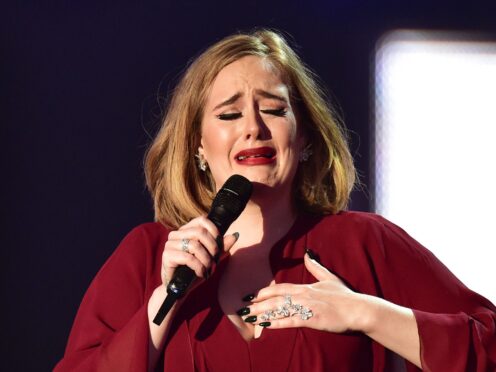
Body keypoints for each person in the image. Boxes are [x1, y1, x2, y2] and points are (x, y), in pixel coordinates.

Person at [54, 29, 496, 372]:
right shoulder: (147, 255)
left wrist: (365, 313)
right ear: (198, 148)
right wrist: (161, 305)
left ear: (304, 137)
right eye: (229, 114)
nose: (253, 127)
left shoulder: (364, 242)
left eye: (273, 109)